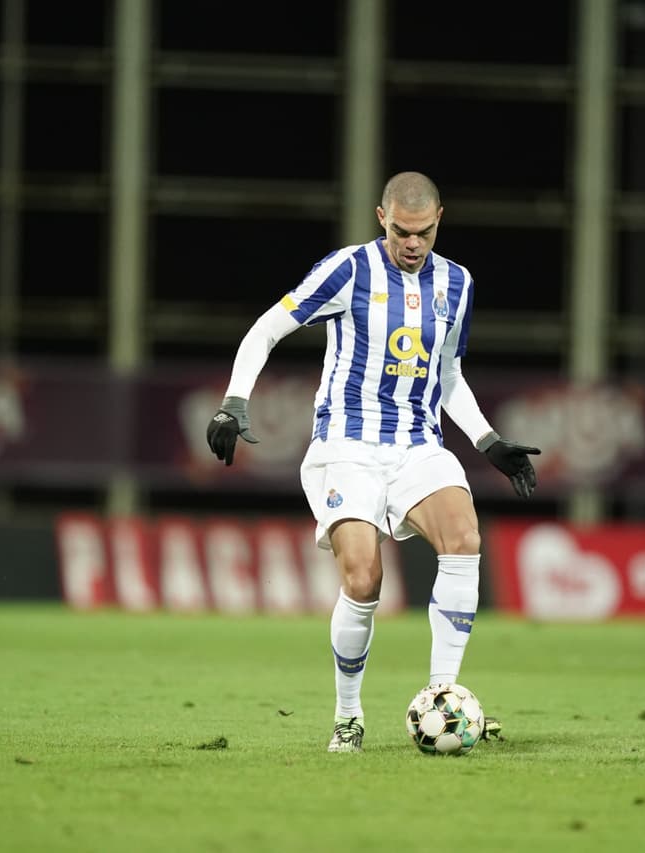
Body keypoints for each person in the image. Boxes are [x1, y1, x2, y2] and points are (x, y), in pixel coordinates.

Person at [205, 171, 540, 753]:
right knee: (364, 577)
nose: (413, 244)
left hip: (416, 444)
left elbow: (449, 376)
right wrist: (234, 402)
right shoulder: (347, 269)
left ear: (440, 220)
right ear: (382, 217)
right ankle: (348, 716)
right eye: (403, 232)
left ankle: (442, 699)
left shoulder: (456, 284)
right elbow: (265, 330)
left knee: (464, 538)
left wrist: (488, 442)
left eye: (425, 233)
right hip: (346, 447)